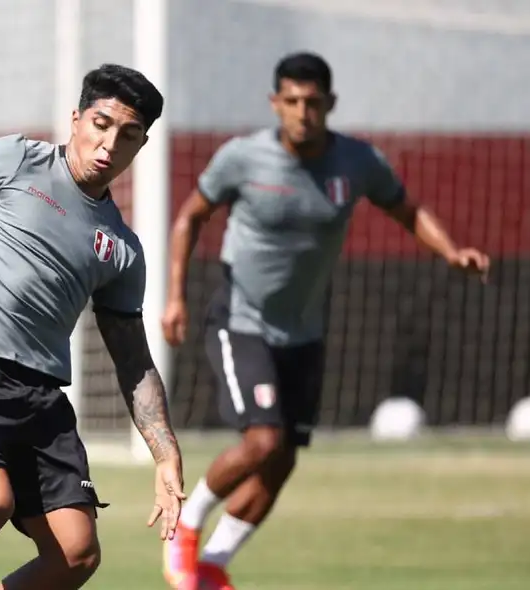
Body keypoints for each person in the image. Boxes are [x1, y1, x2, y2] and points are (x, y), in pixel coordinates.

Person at [160, 52, 490, 590]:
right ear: (275, 103)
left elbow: (407, 209)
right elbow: (190, 217)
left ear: (330, 103)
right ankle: (186, 524)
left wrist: (451, 252)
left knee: (282, 462)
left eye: (313, 102)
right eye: (292, 101)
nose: (303, 112)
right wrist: (175, 296)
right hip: (241, 321)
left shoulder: (357, 161)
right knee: (262, 441)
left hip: (305, 333)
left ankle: (214, 564)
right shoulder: (243, 158)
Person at [0, 64, 186, 590]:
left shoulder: (122, 248)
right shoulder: (14, 159)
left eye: (128, 135)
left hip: (41, 400)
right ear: (76, 119)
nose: (109, 145)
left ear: (141, 145)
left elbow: (133, 360)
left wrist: (165, 453)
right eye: (101, 124)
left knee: (76, 556)